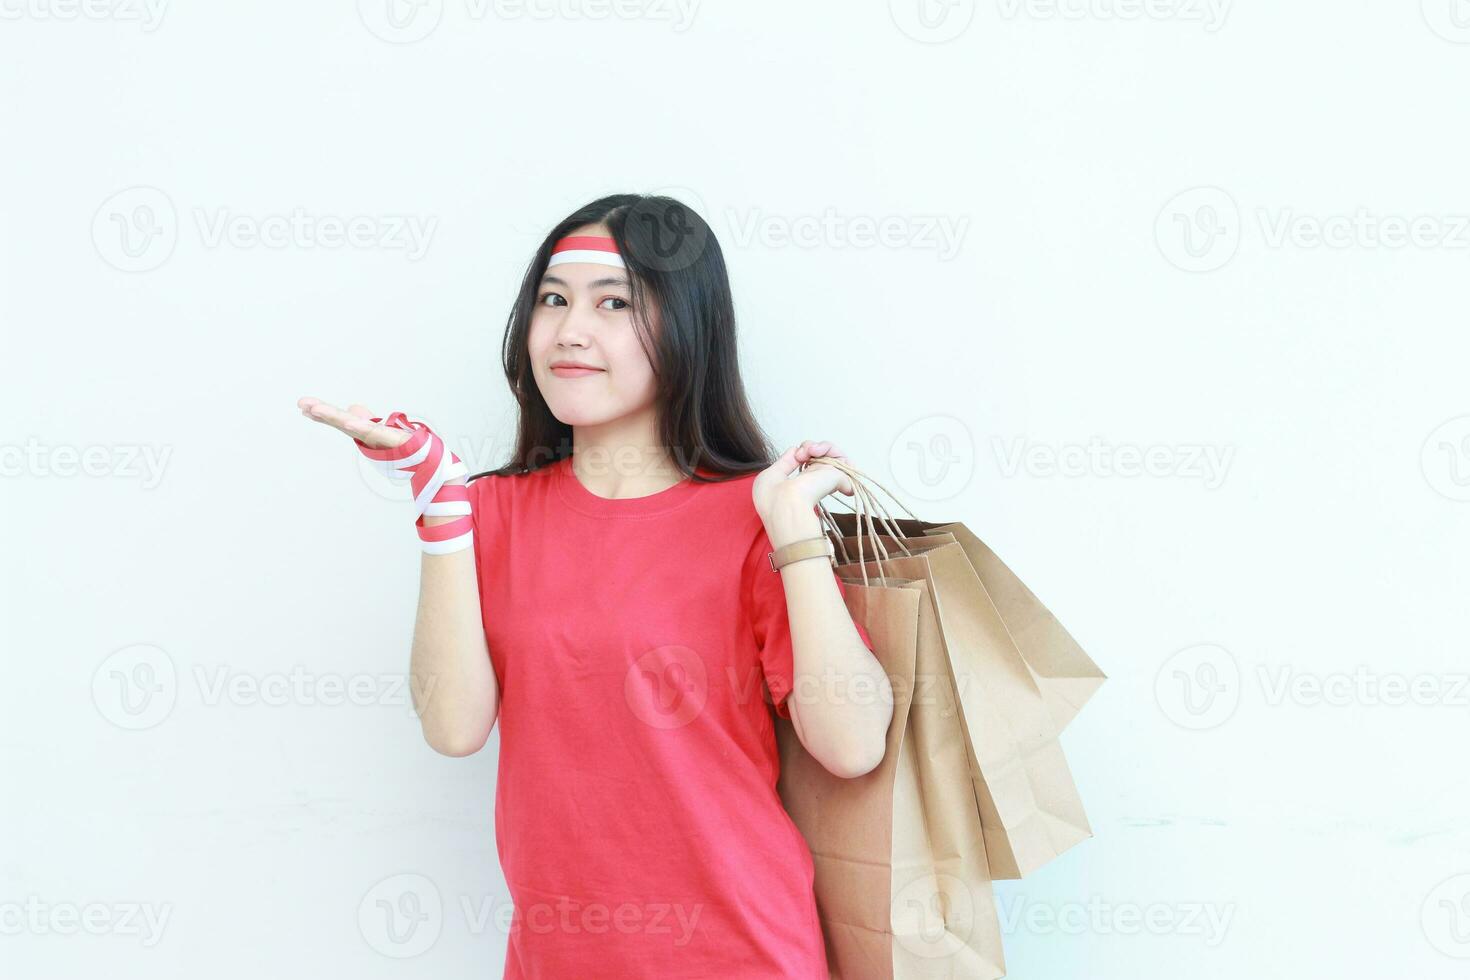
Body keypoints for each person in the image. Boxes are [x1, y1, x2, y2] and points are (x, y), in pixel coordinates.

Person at [298, 193, 893, 978]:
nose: (571, 330)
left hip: (744, 955)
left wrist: (793, 536)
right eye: (553, 299)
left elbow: (852, 746)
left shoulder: (751, 518)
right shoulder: (489, 514)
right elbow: (453, 728)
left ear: (686, 330)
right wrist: (440, 505)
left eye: (614, 303)